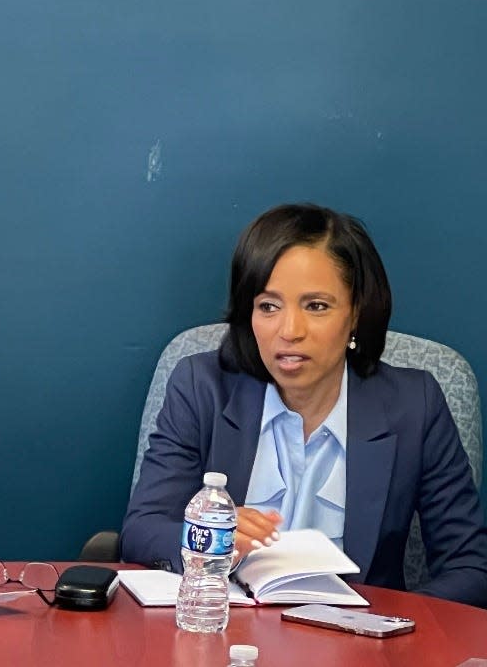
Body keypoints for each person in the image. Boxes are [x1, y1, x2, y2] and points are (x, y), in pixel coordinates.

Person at [121, 203, 487, 607]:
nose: (289, 331)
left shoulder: (413, 405)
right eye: (269, 306)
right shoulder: (201, 386)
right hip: (219, 630)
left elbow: (470, 568)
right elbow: (142, 529)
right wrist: (206, 536)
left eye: (316, 306)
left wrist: (386, 625)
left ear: (355, 314)